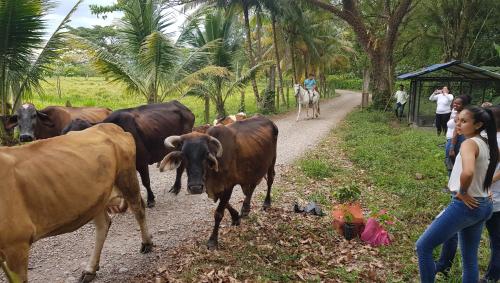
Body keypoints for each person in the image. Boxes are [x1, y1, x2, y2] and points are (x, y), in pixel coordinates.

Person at [416, 105, 498, 283]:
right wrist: (485, 189)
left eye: (464, 121)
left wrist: (462, 192)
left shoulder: (469, 143)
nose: (458, 123)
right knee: (469, 258)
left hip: (466, 205)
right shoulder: (484, 142)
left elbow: (468, 172)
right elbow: (484, 171)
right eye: (458, 119)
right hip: (483, 204)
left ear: (478, 125)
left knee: (423, 246)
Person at [481, 105, 500, 283]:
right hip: (490, 196)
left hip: (492, 198)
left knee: (496, 239)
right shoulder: (489, 138)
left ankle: (492, 276)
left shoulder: (495, 140)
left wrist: (485, 182)